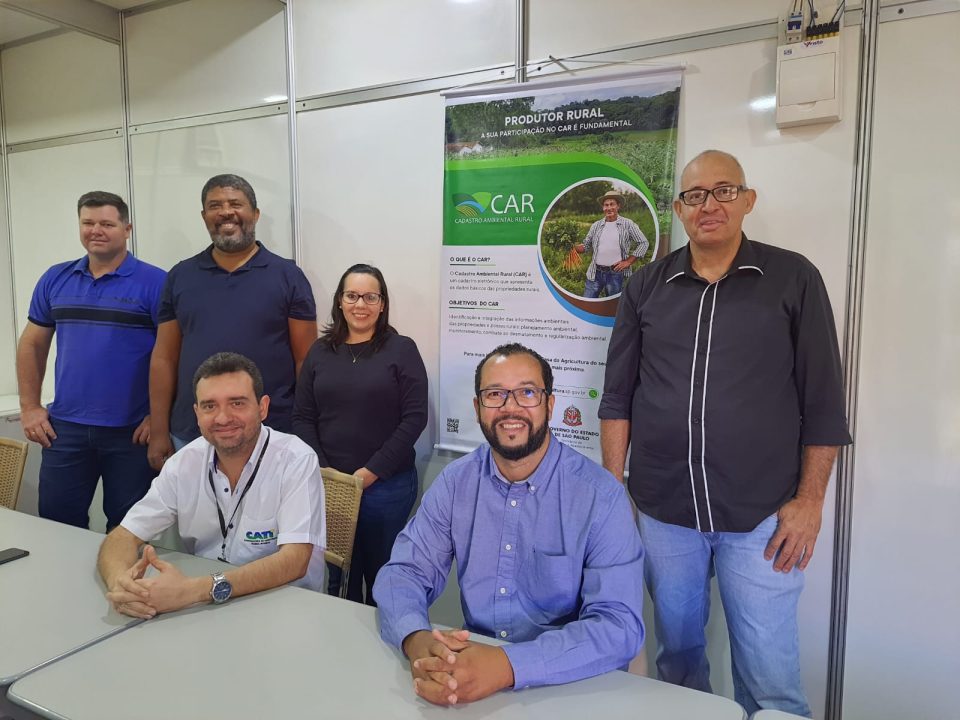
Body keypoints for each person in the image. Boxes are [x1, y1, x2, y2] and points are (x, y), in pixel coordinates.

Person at [599, 149, 852, 717]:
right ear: (678, 209)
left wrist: (811, 501)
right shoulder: (646, 287)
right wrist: (613, 488)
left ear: (747, 200)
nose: (709, 205)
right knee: (677, 663)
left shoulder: (793, 278)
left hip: (763, 516)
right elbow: (617, 397)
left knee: (770, 679)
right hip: (665, 512)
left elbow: (824, 403)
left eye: (723, 191)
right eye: (694, 195)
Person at [373, 343, 644, 706]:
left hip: (569, 686)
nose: (510, 407)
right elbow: (403, 573)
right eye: (495, 394)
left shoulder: (599, 496)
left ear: (550, 404)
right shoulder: (456, 483)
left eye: (527, 392)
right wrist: (416, 638)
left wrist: (506, 665)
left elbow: (619, 626)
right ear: (477, 407)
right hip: (475, 682)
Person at [98, 352, 326, 619]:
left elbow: (294, 561)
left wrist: (193, 591)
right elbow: (122, 537)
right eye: (209, 406)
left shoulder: (296, 459)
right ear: (197, 413)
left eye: (237, 403)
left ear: (262, 407)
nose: (222, 418)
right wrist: (122, 585)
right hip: (207, 607)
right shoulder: (183, 464)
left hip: (286, 605)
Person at [16, 191, 165, 530]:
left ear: (127, 229)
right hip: (63, 430)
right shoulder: (56, 278)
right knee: (56, 525)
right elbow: (32, 344)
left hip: (131, 433)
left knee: (129, 530)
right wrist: (30, 406)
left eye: (107, 223)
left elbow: (174, 355)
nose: (96, 230)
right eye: (88, 223)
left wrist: (159, 417)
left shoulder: (156, 282)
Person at [147, 174, 317, 470]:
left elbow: (307, 361)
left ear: (255, 213)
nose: (226, 211)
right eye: (215, 205)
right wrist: (159, 431)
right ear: (204, 216)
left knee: (268, 517)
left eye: (235, 203)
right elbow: (164, 358)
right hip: (192, 435)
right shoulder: (180, 277)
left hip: (270, 434)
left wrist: (305, 430)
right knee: (199, 517)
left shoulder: (288, 276)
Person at [293, 263, 427, 604]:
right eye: (352, 295)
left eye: (370, 296)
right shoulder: (320, 352)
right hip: (330, 487)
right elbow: (304, 416)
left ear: (382, 304)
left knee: (382, 577)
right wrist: (326, 473)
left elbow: (414, 419)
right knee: (337, 578)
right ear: (340, 301)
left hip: (387, 487)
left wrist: (371, 472)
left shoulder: (402, 349)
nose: (360, 304)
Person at [573, 189, 649, 298]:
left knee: (613, 307)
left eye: (612, 204)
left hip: (615, 274)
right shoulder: (596, 225)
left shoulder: (628, 224)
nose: (609, 208)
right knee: (587, 302)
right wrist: (571, 246)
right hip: (595, 273)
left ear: (618, 206)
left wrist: (628, 261)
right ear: (603, 208)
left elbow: (643, 243)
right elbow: (586, 246)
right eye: (606, 205)